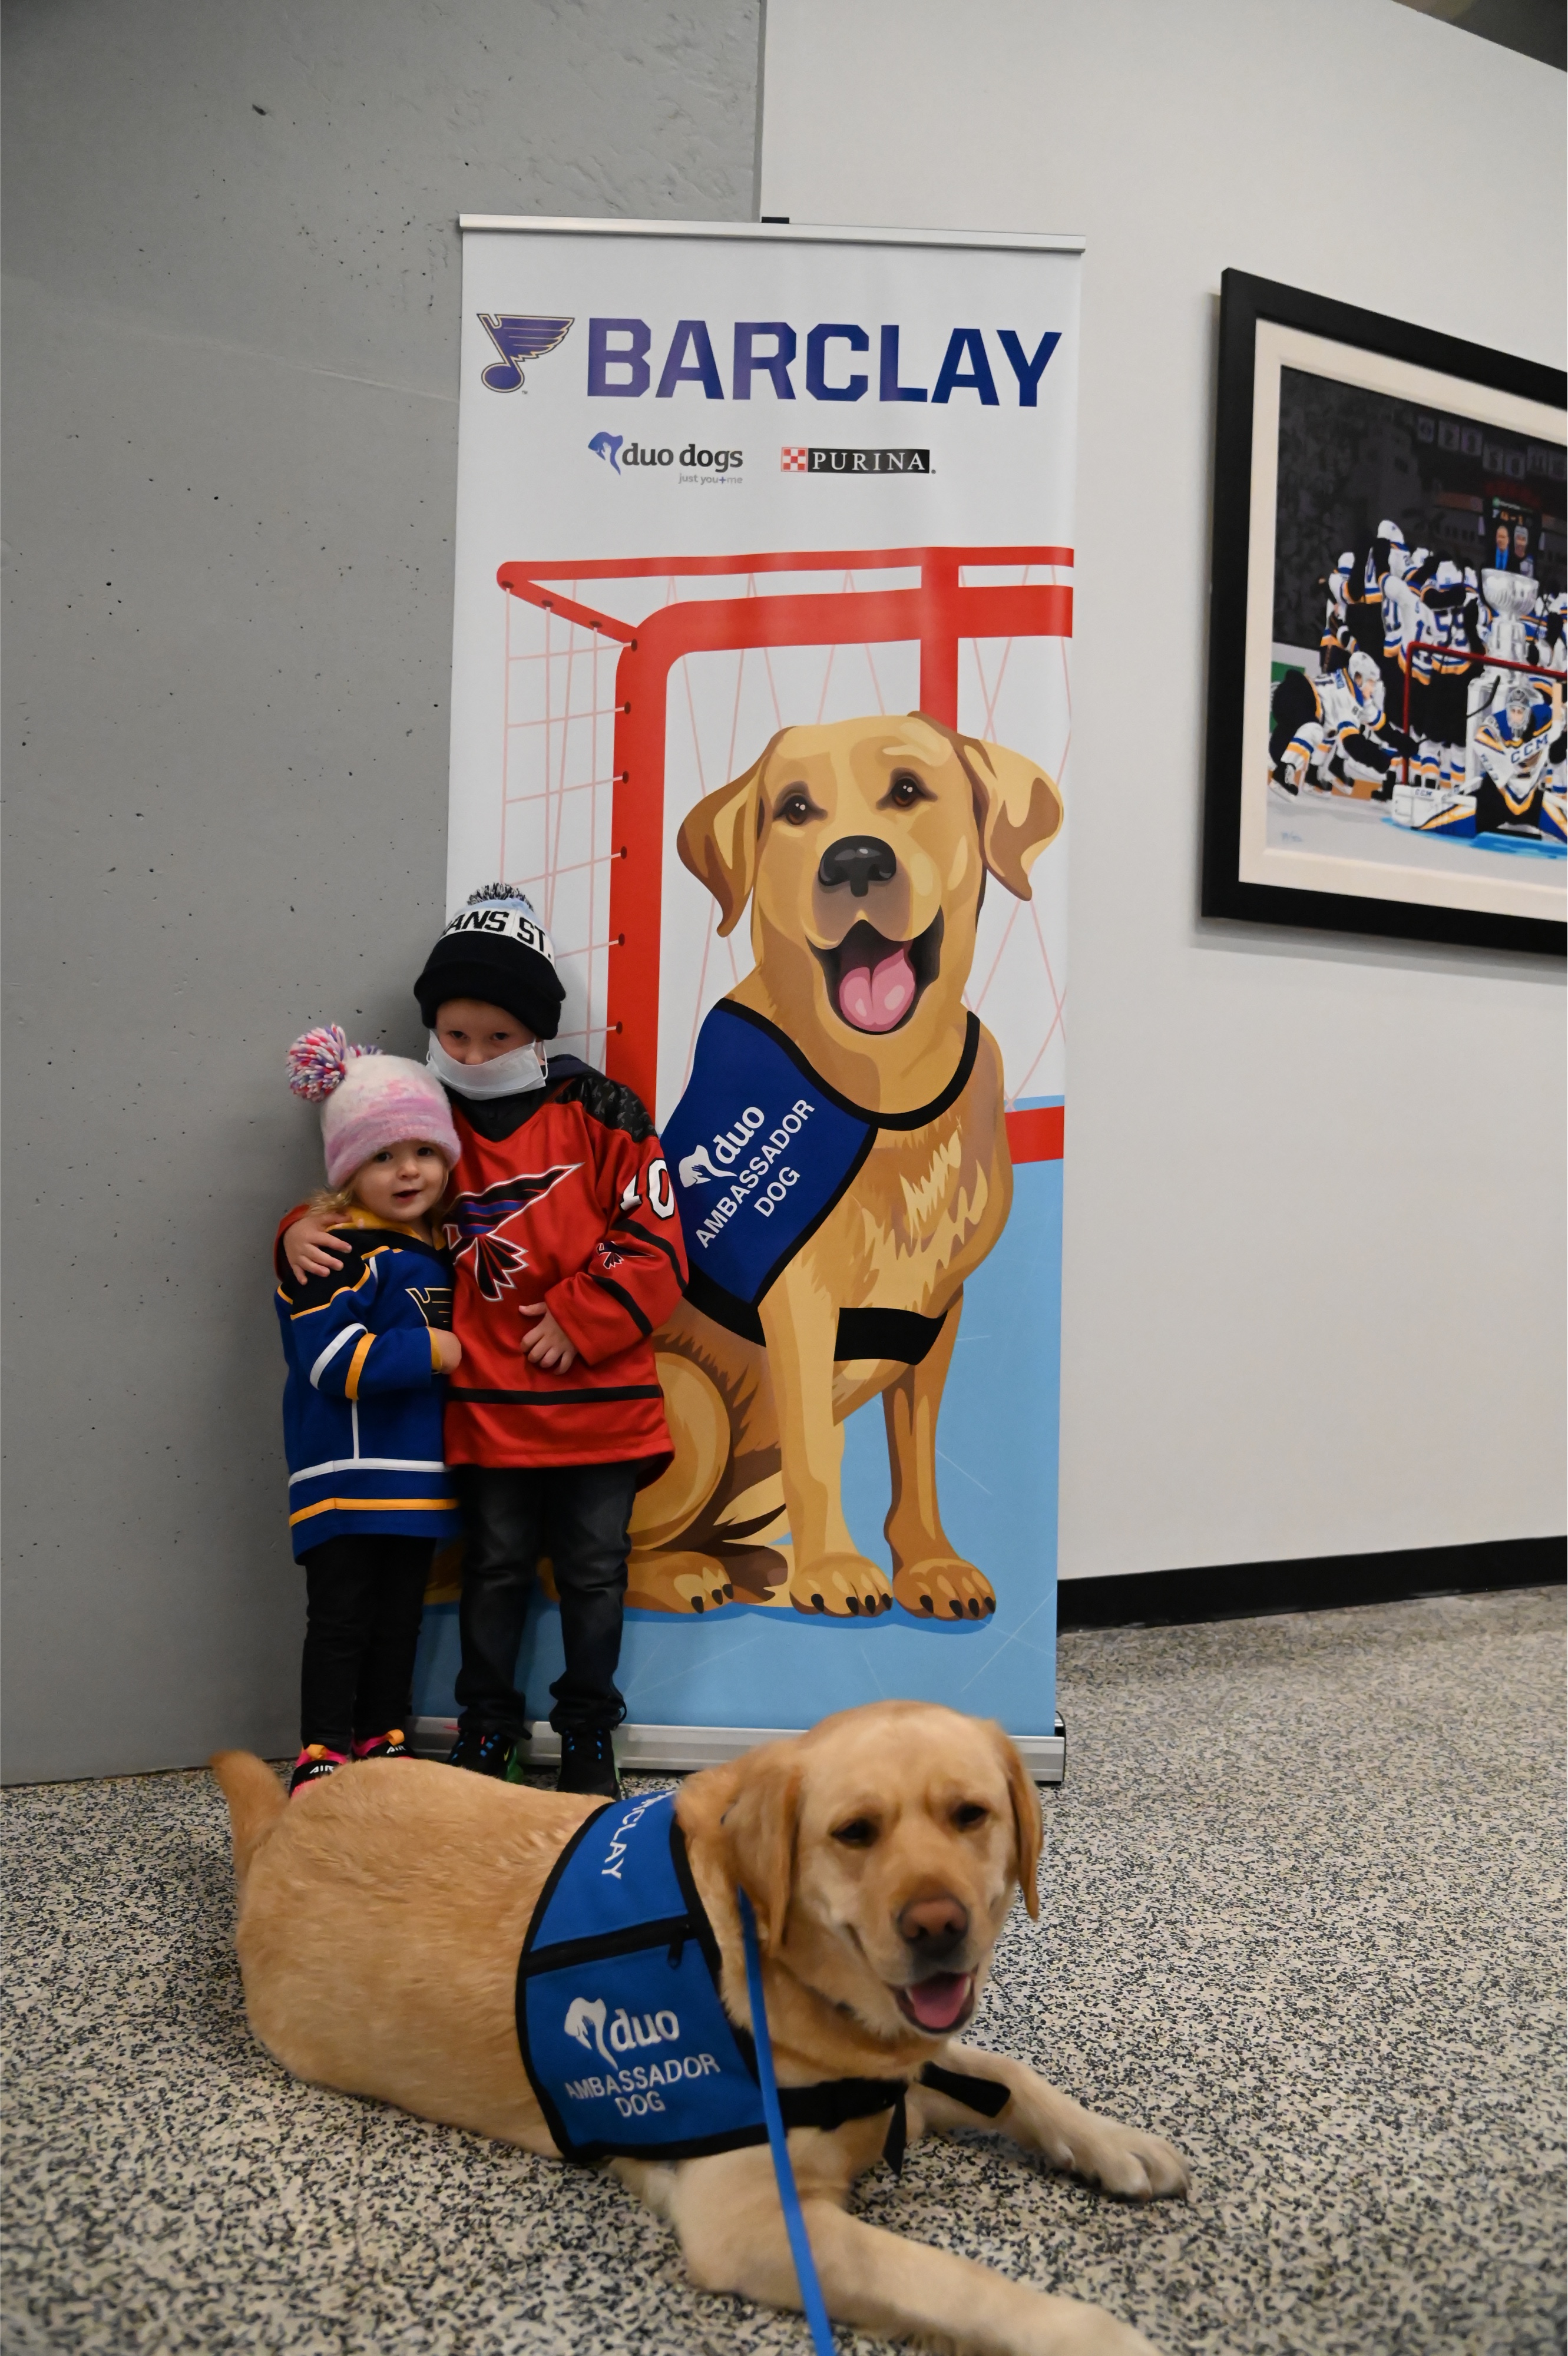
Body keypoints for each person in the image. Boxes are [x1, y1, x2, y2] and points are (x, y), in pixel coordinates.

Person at [280, 886, 688, 1801]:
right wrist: (292, 1235)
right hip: (483, 1411)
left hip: (602, 1408)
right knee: (493, 1572)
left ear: (535, 1031)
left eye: (497, 1038)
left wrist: (583, 1315)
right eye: (456, 1036)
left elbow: (662, 1239)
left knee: (592, 1578)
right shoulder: (423, 1116)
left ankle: (589, 1734)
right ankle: (487, 1729)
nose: (472, 1055)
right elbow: (360, 1191)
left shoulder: (604, 1109)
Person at [277, 1029, 464, 1796]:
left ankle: (384, 1737)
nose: (406, 1169)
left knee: (398, 1622)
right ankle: (322, 1748)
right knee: (342, 1619)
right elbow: (327, 1362)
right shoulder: (335, 1249)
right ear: (349, 1169)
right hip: (346, 1480)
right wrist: (432, 1352)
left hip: (419, 1482)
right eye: (382, 1156)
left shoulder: (441, 1248)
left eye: (421, 1150)